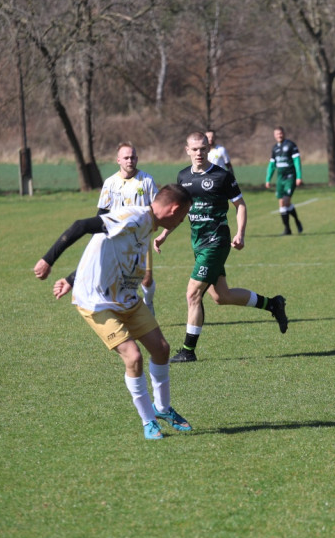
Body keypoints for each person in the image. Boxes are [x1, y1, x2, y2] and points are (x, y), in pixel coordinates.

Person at [33, 185, 194, 440]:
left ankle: (162, 409)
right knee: (133, 357)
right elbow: (80, 226)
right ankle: (148, 422)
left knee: (161, 349)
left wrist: (71, 278)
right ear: (174, 210)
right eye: (183, 215)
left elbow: (102, 250)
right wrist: (47, 260)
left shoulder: (146, 226)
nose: (181, 221)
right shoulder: (132, 217)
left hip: (126, 299)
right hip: (97, 303)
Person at [154, 131, 289, 363]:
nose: (199, 153)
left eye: (203, 148)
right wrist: (165, 233)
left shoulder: (221, 176)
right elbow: (181, 211)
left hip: (216, 242)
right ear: (187, 150)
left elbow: (241, 205)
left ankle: (188, 351)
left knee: (193, 294)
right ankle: (273, 304)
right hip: (197, 242)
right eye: (194, 149)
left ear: (209, 148)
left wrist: (240, 234)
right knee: (221, 296)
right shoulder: (183, 176)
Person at [97, 142, 160, 314]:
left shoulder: (146, 180)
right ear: (118, 160)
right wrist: (99, 236)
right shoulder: (110, 183)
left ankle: (148, 302)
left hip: (141, 238)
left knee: (146, 279)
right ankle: (125, 312)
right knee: (120, 281)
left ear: (137, 159)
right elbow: (102, 211)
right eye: (126, 157)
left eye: (132, 157)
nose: (130, 160)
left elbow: (157, 208)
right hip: (117, 239)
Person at [265, 126, 304, 235]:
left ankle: (296, 221)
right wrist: (268, 179)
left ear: (284, 133)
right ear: (274, 136)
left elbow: (297, 161)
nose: (279, 136)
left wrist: (299, 177)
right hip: (280, 178)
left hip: (290, 177)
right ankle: (288, 229)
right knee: (282, 203)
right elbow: (272, 165)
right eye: (277, 134)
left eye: (281, 133)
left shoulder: (291, 145)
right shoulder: (274, 148)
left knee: (286, 201)